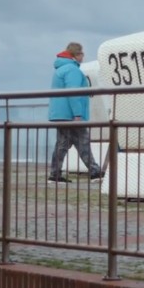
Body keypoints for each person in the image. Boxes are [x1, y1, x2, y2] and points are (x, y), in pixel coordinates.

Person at [47, 42, 103, 183]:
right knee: (83, 141)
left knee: (62, 144)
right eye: (82, 53)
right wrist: (78, 114)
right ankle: (95, 172)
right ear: (77, 55)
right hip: (71, 114)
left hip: (60, 114)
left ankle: (55, 174)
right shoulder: (72, 70)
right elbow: (74, 93)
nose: (83, 56)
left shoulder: (61, 69)